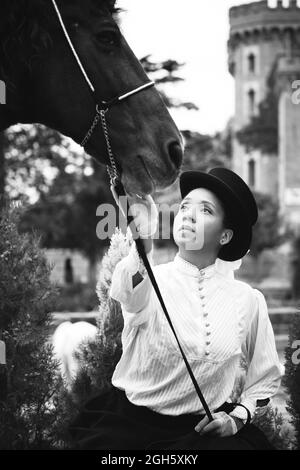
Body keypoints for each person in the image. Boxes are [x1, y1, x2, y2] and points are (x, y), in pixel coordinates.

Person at [69, 167, 283, 450]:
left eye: (206, 210)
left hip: (201, 434)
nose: (189, 215)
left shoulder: (248, 300)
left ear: (225, 237)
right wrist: (143, 236)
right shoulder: (149, 278)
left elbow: (265, 375)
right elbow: (130, 292)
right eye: (184, 207)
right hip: (130, 430)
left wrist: (238, 418)